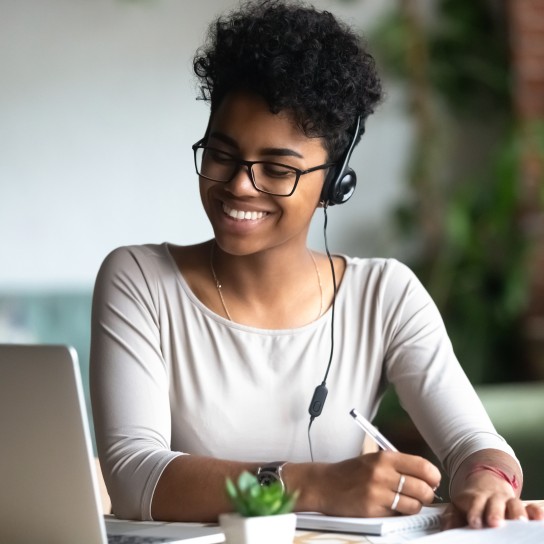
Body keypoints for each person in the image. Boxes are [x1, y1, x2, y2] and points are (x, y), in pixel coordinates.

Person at [90, 0, 543, 530]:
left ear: (333, 185)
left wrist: (488, 480)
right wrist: (317, 485)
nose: (240, 184)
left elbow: (476, 445)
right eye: (222, 155)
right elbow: (132, 476)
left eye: (277, 169)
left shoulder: (385, 294)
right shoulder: (140, 281)